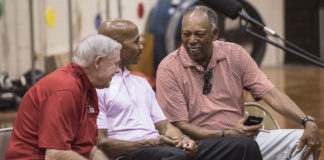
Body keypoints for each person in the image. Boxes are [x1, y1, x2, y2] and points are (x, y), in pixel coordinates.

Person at [156, 5, 322, 160]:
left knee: (301, 140)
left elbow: (271, 94)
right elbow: (181, 126)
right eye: (186, 34)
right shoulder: (169, 68)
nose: (191, 40)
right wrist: (226, 135)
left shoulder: (235, 54)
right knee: (243, 145)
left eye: (199, 34)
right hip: (201, 146)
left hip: (242, 138)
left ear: (214, 34)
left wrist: (307, 121)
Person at [96, 18, 263, 160]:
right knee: (174, 156)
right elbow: (102, 144)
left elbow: (165, 127)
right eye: (135, 42)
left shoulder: (141, 83)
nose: (141, 46)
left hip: (161, 149)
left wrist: (183, 140)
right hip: (132, 154)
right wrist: (152, 143)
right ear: (115, 47)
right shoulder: (96, 87)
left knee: (245, 146)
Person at [5, 34, 121, 160]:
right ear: (98, 62)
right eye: (115, 64)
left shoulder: (89, 88)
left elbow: (89, 149)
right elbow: (55, 155)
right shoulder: (65, 90)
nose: (118, 70)